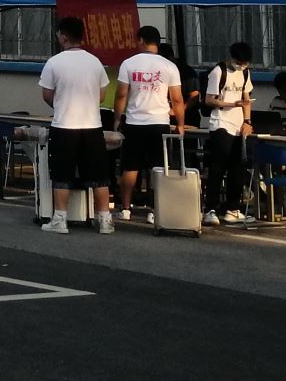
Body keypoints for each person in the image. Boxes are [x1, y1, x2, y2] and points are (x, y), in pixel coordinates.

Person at [39, 17, 115, 234]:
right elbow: (102, 96)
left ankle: (60, 219)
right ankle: (105, 220)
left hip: (64, 125)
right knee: (99, 175)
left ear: (63, 37)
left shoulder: (54, 62)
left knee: (61, 174)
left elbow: (46, 94)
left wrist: (61, 103)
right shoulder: (95, 62)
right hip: (92, 126)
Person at [113, 34, 185, 221]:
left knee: (130, 167)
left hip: (134, 122)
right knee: (158, 168)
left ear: (141, 40)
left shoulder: (128, 63)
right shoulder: (169, 66)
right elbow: (177, 99)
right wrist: (180, 124)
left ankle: (126, 209)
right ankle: (155, 210)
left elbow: (121, 95)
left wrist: (117, 119)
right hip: (159, 123)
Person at [202, 42, 255, 226]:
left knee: (237, 168)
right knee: (218, 166)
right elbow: (209, 100)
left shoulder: (245, 73)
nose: (241, 66)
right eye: (239, 62)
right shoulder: (219, 71)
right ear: (232, 58)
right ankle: (210, 209)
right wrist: (231, 104)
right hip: (221, 123)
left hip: (238, 125)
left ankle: (233, 208)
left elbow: (247, 99)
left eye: (245, 63)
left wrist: (247, 121)